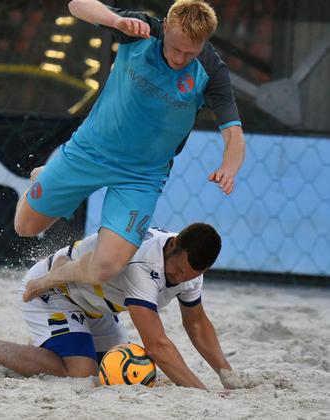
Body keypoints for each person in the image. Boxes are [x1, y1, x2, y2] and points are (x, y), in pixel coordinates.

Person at [15, 0, 245, 294]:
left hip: (142, 176)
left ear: (204, 42)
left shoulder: (211, 71)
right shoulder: (140, 30)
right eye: (175, 48)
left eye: (190, 52)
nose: (180, 58)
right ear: (166, 27)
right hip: (90, 152)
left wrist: (229, 168)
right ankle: (46, 175)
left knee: (105, 268)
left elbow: (234, 135)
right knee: (25, 227)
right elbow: (76, 5)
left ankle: (55, 275)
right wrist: (116, 21)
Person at [0, 223, 236, 390]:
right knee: (83, 373)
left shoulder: (188, 270)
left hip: (97, 306)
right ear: (172, 245)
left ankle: (47, 351)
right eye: (179, 270)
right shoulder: (143, 266)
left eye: (191, 276)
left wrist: (227, 375)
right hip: (57, 292)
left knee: (113, 373)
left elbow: (196, 324)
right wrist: (203, 392)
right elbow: (157, 345)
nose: (180, 279)